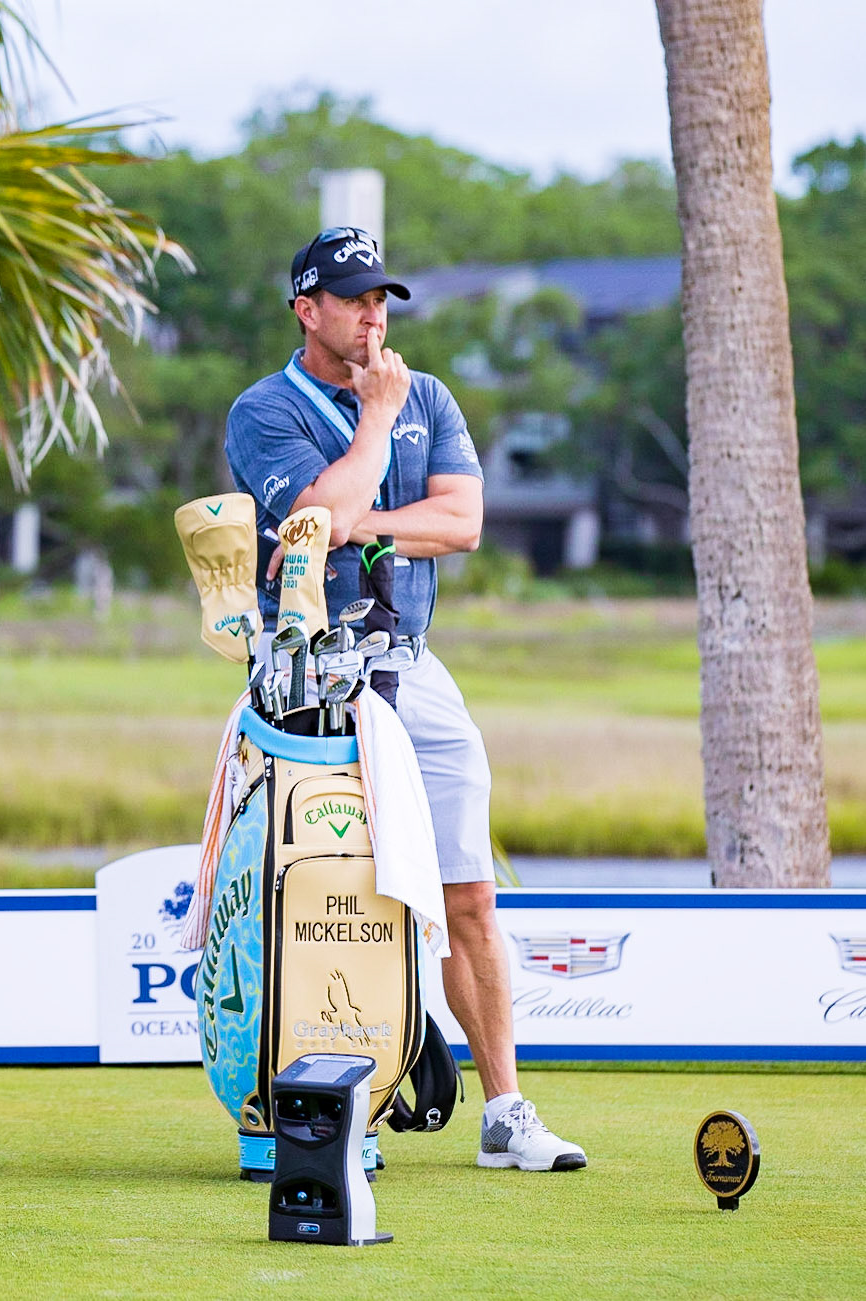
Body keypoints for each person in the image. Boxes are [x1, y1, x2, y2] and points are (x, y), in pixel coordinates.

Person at [224, 225, 586, 1174]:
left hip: (414, 666)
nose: (372, 315)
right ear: (307, 310)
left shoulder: (428, 393)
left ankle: (505, 1112)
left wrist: (360, 522)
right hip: (310, 674)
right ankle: (332, 1108)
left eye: (380, 298)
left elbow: (461, 522)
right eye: (353, 299)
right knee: (325, 894)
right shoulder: (264, 410)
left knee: (470, 890)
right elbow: (313, 515)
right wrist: (374, 429)